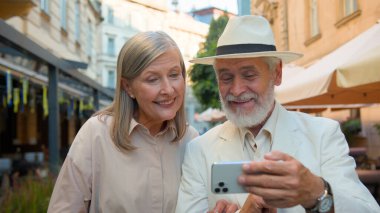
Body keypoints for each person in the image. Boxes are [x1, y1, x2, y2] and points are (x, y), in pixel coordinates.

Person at [175, 15, 380, 213]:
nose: (236, 90)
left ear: (277, 73)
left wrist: (316, 193)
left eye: (249, 75)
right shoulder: (199, 150)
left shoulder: (323, 135)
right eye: (226, 77)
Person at [48, 31, 198, 213]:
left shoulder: (191, 141)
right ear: (128, 87)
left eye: (174, 75)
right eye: (153, 79)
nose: (168, 89)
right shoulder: (96, 134)